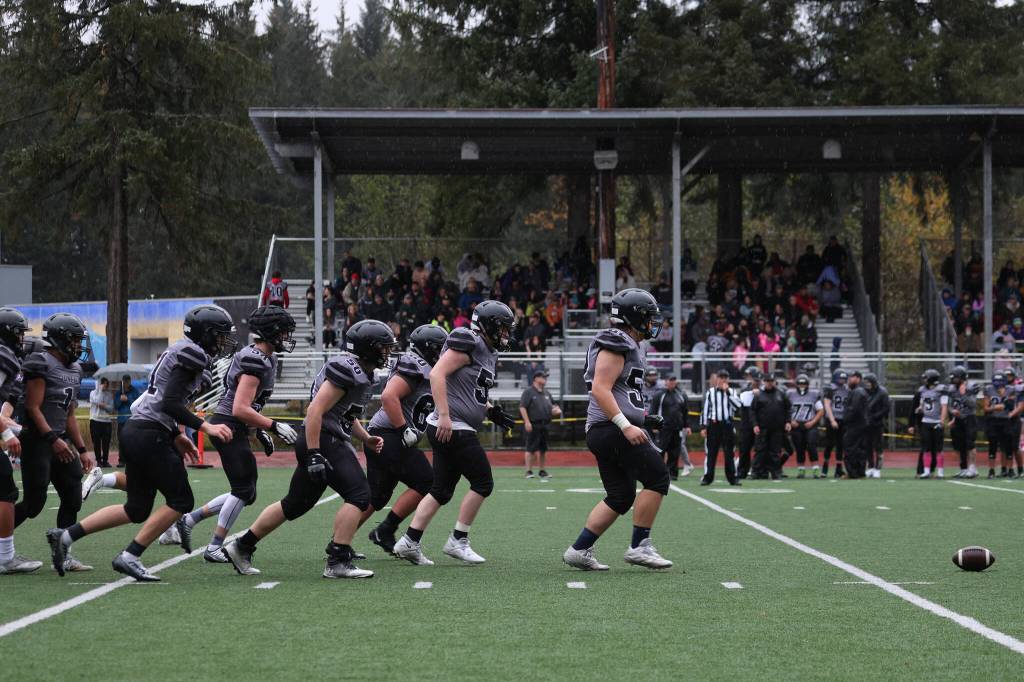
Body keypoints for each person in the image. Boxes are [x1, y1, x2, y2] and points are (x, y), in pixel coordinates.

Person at [47, 305, 236, 581]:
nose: (223, 342)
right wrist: (204, 426)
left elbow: (160, 401)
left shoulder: (181, 352)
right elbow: (170, 402)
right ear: (205, 334)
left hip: (139, 430)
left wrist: (177, 435)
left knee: (136, 508)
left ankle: (65, 536)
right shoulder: (193, 354)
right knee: (181, 499)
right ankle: (130, 556)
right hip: (150, 434)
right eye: (219, 335)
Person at [223, 320, 397, 579]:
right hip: (322, 439)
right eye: (382, 348)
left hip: (324, 437)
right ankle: (338, 559)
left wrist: (365, 437)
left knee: (294, 504)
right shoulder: (347, 368)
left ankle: (241, 545)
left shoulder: (362, 371)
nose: (387, 353)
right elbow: (315, 410)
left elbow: (344, 416)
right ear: (367, 348)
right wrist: (315, 452)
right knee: (360, 495)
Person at [392, 300, 518, 566]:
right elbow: (438, 374)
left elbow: (468, 390)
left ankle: (409, 541)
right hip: (452, 426)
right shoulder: (468, 340)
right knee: (483, 483)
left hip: (454, 424)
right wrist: (446, 415)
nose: (506, 334)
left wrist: (491, 411)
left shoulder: (487, 350)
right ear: (488, 326)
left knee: (441, 489)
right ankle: (458, 540)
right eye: (503, 329)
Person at [172, 306, 298, 564]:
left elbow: (249, 406)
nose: (287, 337)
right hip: (228, 423)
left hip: (234, 424)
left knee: (246, 491)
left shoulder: (265, 357)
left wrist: (259, 430)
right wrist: (273, 425)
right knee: (243, 489)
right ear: (271, 332)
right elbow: (240, 408)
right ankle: (214, 546)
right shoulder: (256, 359)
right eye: (283, 332)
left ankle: (189, 520)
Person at [562, 289, 672, 571]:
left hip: (606, 428)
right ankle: (639, 546)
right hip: (610, 428)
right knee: (658, 477)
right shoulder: (616, 340)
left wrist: (642, 419)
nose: (652, 323)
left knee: (621, 496)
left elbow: (621, 392)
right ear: (633, 317)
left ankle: (579, 549)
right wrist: (625, 425)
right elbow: (600, 388)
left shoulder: (628, 342)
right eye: (648, 317)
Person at [356, 325, 447, 556]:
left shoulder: (431, 369)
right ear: (429, 349)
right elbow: (388, 397)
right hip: (390, 433)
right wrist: (404, 429)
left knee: (376, 497)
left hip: (384, 432)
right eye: (440, 349)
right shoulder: (416, 364)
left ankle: (339, 542)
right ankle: (385, 530)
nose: (444, 353)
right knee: (427, 482)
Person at [14, 314, 94, 574]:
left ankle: (64, 551)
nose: (78, 347)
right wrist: (53, 439)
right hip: (38, 440)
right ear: (59, 339)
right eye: (74, 341)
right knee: (34, 504)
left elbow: (69, 414)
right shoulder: (41, 362)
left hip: (59, 440)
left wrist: (82, 449)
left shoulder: (75, 369)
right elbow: (33, 408)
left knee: (73, 495)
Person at [0, 307, 42, 574]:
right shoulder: (4, 356)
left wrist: (11, 427)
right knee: (6, 490)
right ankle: (5, 556)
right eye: (18, 332)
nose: (21, 338)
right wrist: (6, 433)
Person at [699, 369, 742, 486]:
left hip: (727, 425)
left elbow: (738, 406)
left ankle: (733, 478)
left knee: (730, 453)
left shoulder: (732, 392)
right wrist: (703, 427)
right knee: (711, 453)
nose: (723, 379)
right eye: (721, 377)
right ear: (717, 379)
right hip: (714, 425)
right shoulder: (710, 392)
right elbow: (706, 410)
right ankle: (708, 477)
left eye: (725, 377)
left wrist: (727, 392)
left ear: (728, 379)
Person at [520, 369, 561, 481]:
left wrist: (557, 410)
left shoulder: (546, 392)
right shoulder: (528, 392)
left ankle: (542, 471)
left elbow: (554, 406)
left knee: (543, 449)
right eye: (543, 377)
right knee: (531, 448)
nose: (545, 379)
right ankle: (529, 471)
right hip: (534, 424)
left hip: (545, 424)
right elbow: (522, 407)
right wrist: (527, 422)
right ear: (536, 378)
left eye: (545, 377)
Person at [750, 372, 792, 479]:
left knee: (775, 451)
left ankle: (776, 472)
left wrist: (788, 421)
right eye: (767, 381)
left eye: (771, 381)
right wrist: (755, 425)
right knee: (760, 450)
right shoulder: (759, 394)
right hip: (762, 428)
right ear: (764, 382)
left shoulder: (781, 394)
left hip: (777, 429)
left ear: (775, 382)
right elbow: (752, 411)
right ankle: (756, 472)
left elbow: (788, 409)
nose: (769, 383)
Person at [650, 375, 692, 479]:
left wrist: (687, 426)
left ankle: (672, 474)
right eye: (670, 380)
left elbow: (685, 412)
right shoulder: (659, 395)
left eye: (674, 380)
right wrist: (654, 425)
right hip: (663, 428)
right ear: (665, 381)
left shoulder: (681, 395)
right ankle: (659, 472)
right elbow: (653, 411)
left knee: (675, 451)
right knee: (660, 450)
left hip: (677, 428)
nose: (672, 382)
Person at [908, 369, 948, 479]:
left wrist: (942, 421)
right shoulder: (922, 390)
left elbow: (944, 406)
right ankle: (926, 471)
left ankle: (940, 471)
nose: (924, 380)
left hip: (936, 421)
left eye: (926, 378)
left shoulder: (941, 390)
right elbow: (922, 403)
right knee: (926, 447)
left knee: (939, 448)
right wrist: (920, 408)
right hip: (926, 421)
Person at [787, 373, 823, 479]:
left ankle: (815, 470)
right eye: (800, 383)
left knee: (811, 445)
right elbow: (785, 409)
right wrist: (790, 420)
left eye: (804, 383)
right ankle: (801, 470)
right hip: (796, 424)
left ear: (807, 384)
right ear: (796, 384)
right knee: (799, 447)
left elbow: (821, 410)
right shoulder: (790, 394)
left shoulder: (813, 394)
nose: (802, 385)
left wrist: (813, 422)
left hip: (810, 424)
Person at [948, 366, 979, 479]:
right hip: (957, 419)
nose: (953, 380)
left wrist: (963, 394)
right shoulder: (952, 388)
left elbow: (973, 405)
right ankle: (963, 468)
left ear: (961, 377)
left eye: (955, 377)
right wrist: (952, 414)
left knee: (970, 444)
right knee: (959, 445)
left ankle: (972, 468)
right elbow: (950, 405)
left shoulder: (971, 386)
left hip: (969, 418)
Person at [841, 371, 870, 479]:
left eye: (851, 377)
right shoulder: (861, 390)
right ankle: (860, 472)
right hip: (861, 424)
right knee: (860, 448)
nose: (848, 380)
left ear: (857, 378)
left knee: (850, 448)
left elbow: (854, 409)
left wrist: (846, 419)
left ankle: (852, 472)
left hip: (855, 424)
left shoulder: (857, 391)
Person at [822, 369, 849, 478]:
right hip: (832, 418)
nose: (842, 380)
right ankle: (825, 467)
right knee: (829, 444)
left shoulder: (847, 389)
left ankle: (838, 468)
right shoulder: (830, 388)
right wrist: (832, 420)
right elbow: (827, 404)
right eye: (840, 378)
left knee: (840, 444)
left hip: (843, 419)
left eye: (843, 378)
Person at [864, 373, 891, 479]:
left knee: (878, 446)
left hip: (877, 423)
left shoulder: (882, 392)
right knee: (867, 446)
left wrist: (875, 416)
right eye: (866, 382)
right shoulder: (865, 391)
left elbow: (886, 408)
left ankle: (877, 469)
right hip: (866, 423)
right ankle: (870, 467)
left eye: (868, 382)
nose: (867, 384)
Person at [736, 367, 761, 479]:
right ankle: (743, 471)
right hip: (746, 424)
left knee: (760, 448)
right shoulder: (745, 391)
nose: (749, 379)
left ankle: (757, 470)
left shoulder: (764, 391)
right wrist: (752, 392)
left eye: (750, 377)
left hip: (759, 424)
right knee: (744, 448)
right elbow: (743, 400)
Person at [114, 374, 141, 467]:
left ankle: (132, 459)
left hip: (132, 420)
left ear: (130, 381)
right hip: (121, 420)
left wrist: (128, 399)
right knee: (121, 440)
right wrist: (120, 400)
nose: (126, 382)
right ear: (122, 381)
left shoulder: (135, 391)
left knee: (133, 440)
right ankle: (121, 460)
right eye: (125, 381)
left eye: (128, 380)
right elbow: (115, 406)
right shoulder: (118, 393)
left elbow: (138, 404)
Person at [89, 377, 115, 467]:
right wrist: (100, 390)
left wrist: (104, 406)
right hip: (95, 420)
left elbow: (111, 408)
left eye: (106, 384)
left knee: (106, 442)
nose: (105, 386)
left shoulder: (109, 394)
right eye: (103, 383)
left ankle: (105, 461)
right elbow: (96, 401)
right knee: (96, 442)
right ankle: (98, 461)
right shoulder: (93, 393)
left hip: (106, 421)